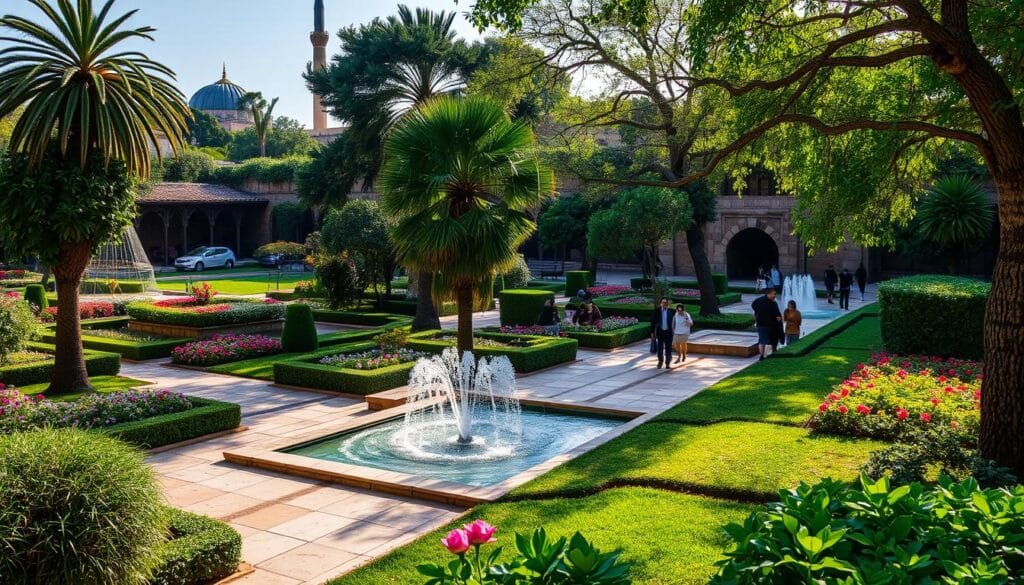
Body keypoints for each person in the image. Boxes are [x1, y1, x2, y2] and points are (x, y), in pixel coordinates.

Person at [752, 288, 782, 360]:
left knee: (762, 340)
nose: (775, 296)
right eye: (774, 294)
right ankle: (767, 356)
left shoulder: (758, 301)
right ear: (770, 293)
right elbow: (778, 316)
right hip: (770, 325)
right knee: (769, 341)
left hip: (760, 324)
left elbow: (753, 307)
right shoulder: (773, 303)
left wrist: (757, 315)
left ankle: (761, 355)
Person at [649, 296, 675, 369]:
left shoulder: (672, 311)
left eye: (666, 302)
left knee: (668, 348)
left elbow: (676, 321)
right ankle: (660, 361)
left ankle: (667, 363)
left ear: (668, 303)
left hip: (668, 332)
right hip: (660, 332)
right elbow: (653, 322)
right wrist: (652, 332)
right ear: (660, 303)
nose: (664, 304)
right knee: (660, 348)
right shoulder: (657, 311)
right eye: (663, 302)